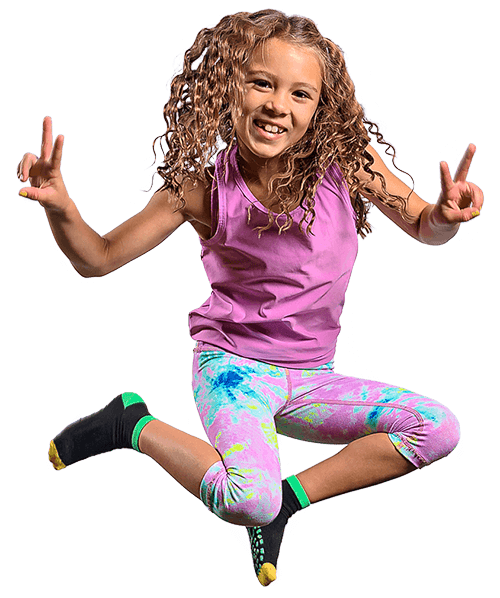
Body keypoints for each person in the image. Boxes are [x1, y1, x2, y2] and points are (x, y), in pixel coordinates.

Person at [18, 9, 482, 587]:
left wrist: (443, 216)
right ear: (229, 86)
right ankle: (133, 425)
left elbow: (421, 224)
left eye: (300, 93)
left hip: (310, 379)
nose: (277, 105)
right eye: (262, 83)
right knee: (247, 502)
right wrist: (63, 208)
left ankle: (293, 498)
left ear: (320, 107)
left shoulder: (349, 166)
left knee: (439, 430)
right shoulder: (200, 188)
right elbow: (99, 259)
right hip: (232, 371)